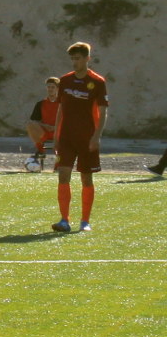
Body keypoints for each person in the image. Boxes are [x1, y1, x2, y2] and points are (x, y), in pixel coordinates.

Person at [51, 42, 109, 233]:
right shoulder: (65, 80)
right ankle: (64, 220)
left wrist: (96, 136)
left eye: (77, 58)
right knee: (63, 175)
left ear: (87, 59)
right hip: (67, 137)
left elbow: (103, 111)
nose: (74, 62)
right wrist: (56, 135)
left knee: (86, 178)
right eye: (72, 59)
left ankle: (85, 221)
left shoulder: (97, 82)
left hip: (87, 138)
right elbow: (61, 109)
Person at [25, 76, 59, 159]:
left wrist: (56, 127)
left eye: (53, 87)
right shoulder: (41, 104)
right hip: (45, 132)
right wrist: (45, 126)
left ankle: (62, 157)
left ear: (57, 89)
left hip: (59, 132)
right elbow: (34, 120)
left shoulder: (63, 103)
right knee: (30, 125)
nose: (50, 89)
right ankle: (40, 150)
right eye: (48, 87)